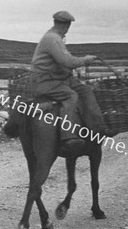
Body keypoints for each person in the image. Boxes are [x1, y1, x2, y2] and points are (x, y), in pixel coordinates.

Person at [30, 10, 115, 156]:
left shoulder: (56, 38)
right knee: (71, 96)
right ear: (66, 26)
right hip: (45, 81)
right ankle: (68, 137)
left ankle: (99, 128)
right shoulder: (52, 39)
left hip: (57, 79)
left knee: (86, 90)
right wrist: (86, 60)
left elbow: (63, 61)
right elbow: (67, 61)